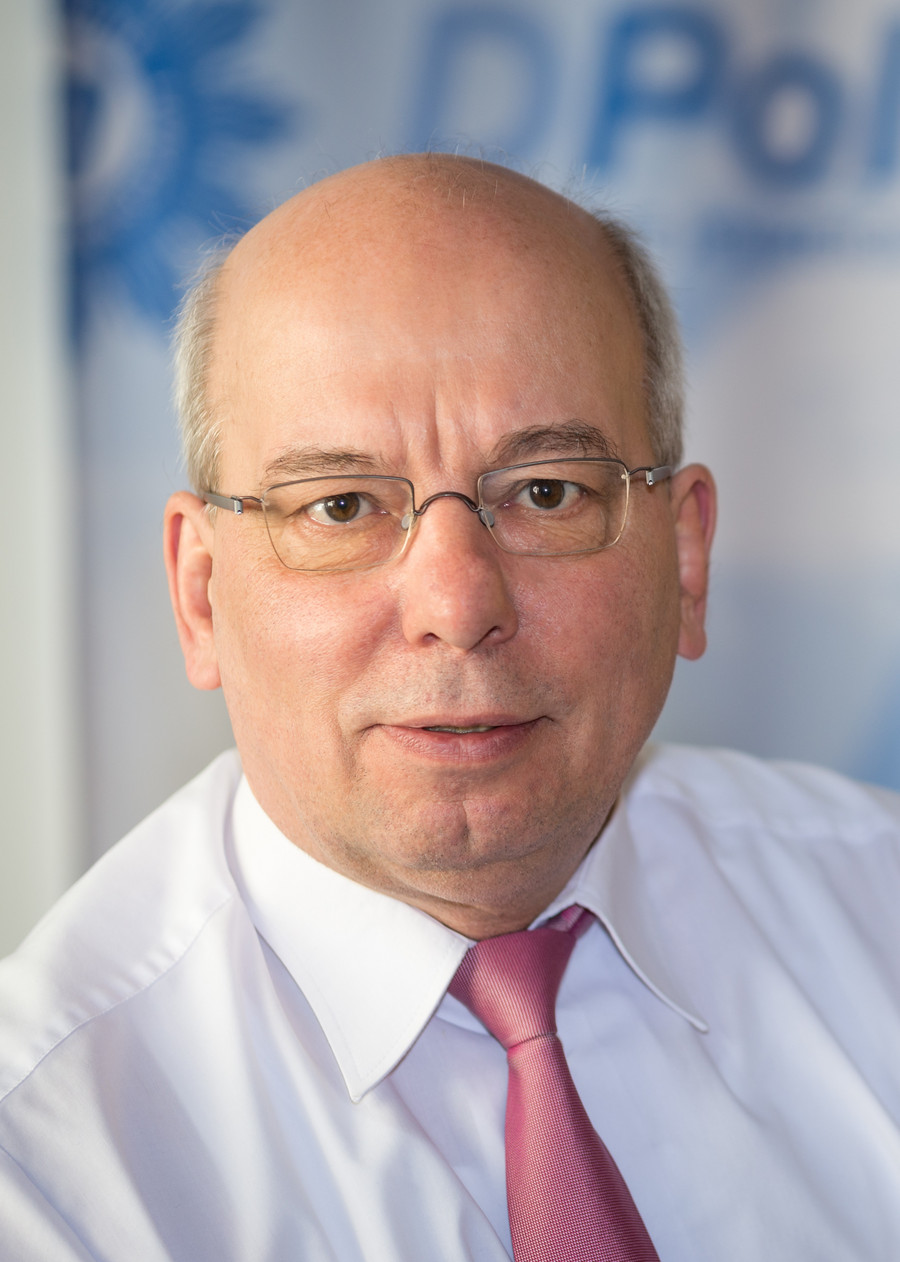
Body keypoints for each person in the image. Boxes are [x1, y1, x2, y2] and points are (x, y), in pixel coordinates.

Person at [2, 153, 900, 1261]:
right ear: (201, 593)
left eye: (547, 492)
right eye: (340, 506)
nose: (457, 605)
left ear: (684, 557)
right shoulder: (42, 1163)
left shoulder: (878, 912)